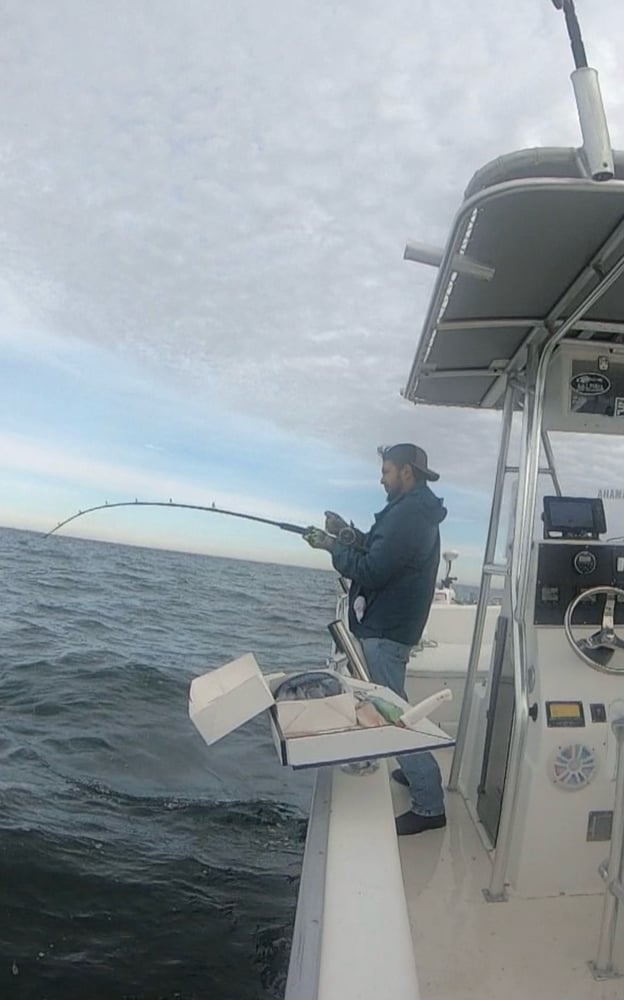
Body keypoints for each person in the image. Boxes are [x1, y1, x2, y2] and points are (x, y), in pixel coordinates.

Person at [303, 443, 448, 836]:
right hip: (394, 626)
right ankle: (412, 769)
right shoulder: (413, 511)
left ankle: (429, 805)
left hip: (387, 630)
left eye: (386, 471)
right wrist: (345, 534)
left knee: (393, 715)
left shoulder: (409, 515)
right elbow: (380, 549)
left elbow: (372, 569)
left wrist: (332, 548)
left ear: (406, 473)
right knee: (395, 704)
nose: (381, 478)